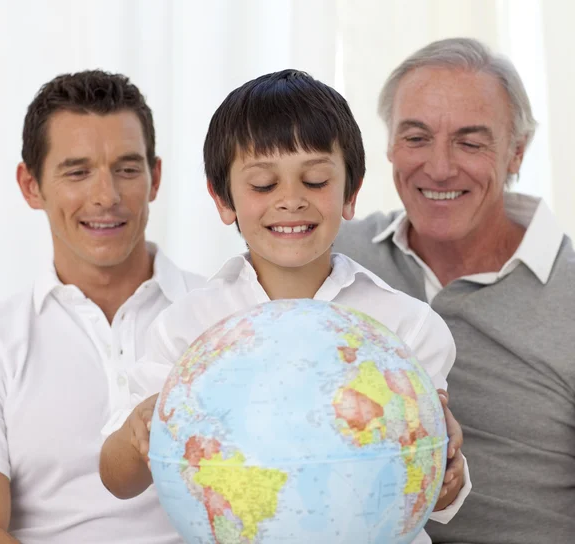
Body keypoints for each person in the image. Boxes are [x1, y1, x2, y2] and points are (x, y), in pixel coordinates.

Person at [99, 69, 472, 544]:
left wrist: (447, 471)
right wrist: (143, 429)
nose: (291, 200)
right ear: (223, 199)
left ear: (351, 193)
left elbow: (435, 495)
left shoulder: (407, 327)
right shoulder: (187, 328)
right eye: (262, 185)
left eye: (315, 180)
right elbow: (117, 478)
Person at [335, 37, 575, 544]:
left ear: (516, 153)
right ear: (389, 147)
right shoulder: (333, 255)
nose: (440, 168)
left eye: (470, 142)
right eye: (416, 138)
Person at [0, 70, 205, 543]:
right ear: (30, 186)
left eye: (126, 168)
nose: (107, 197)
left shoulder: (223, 319)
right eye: (77, 172)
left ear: (154, 177)